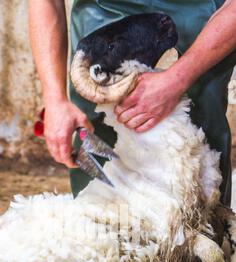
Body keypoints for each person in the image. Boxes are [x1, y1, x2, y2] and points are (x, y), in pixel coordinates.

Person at [29, 0, 236, 205]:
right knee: (100, 163)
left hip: (202, 14)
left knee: (197, 161)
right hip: (104, 12)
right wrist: (55, 99)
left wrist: (179, 78)